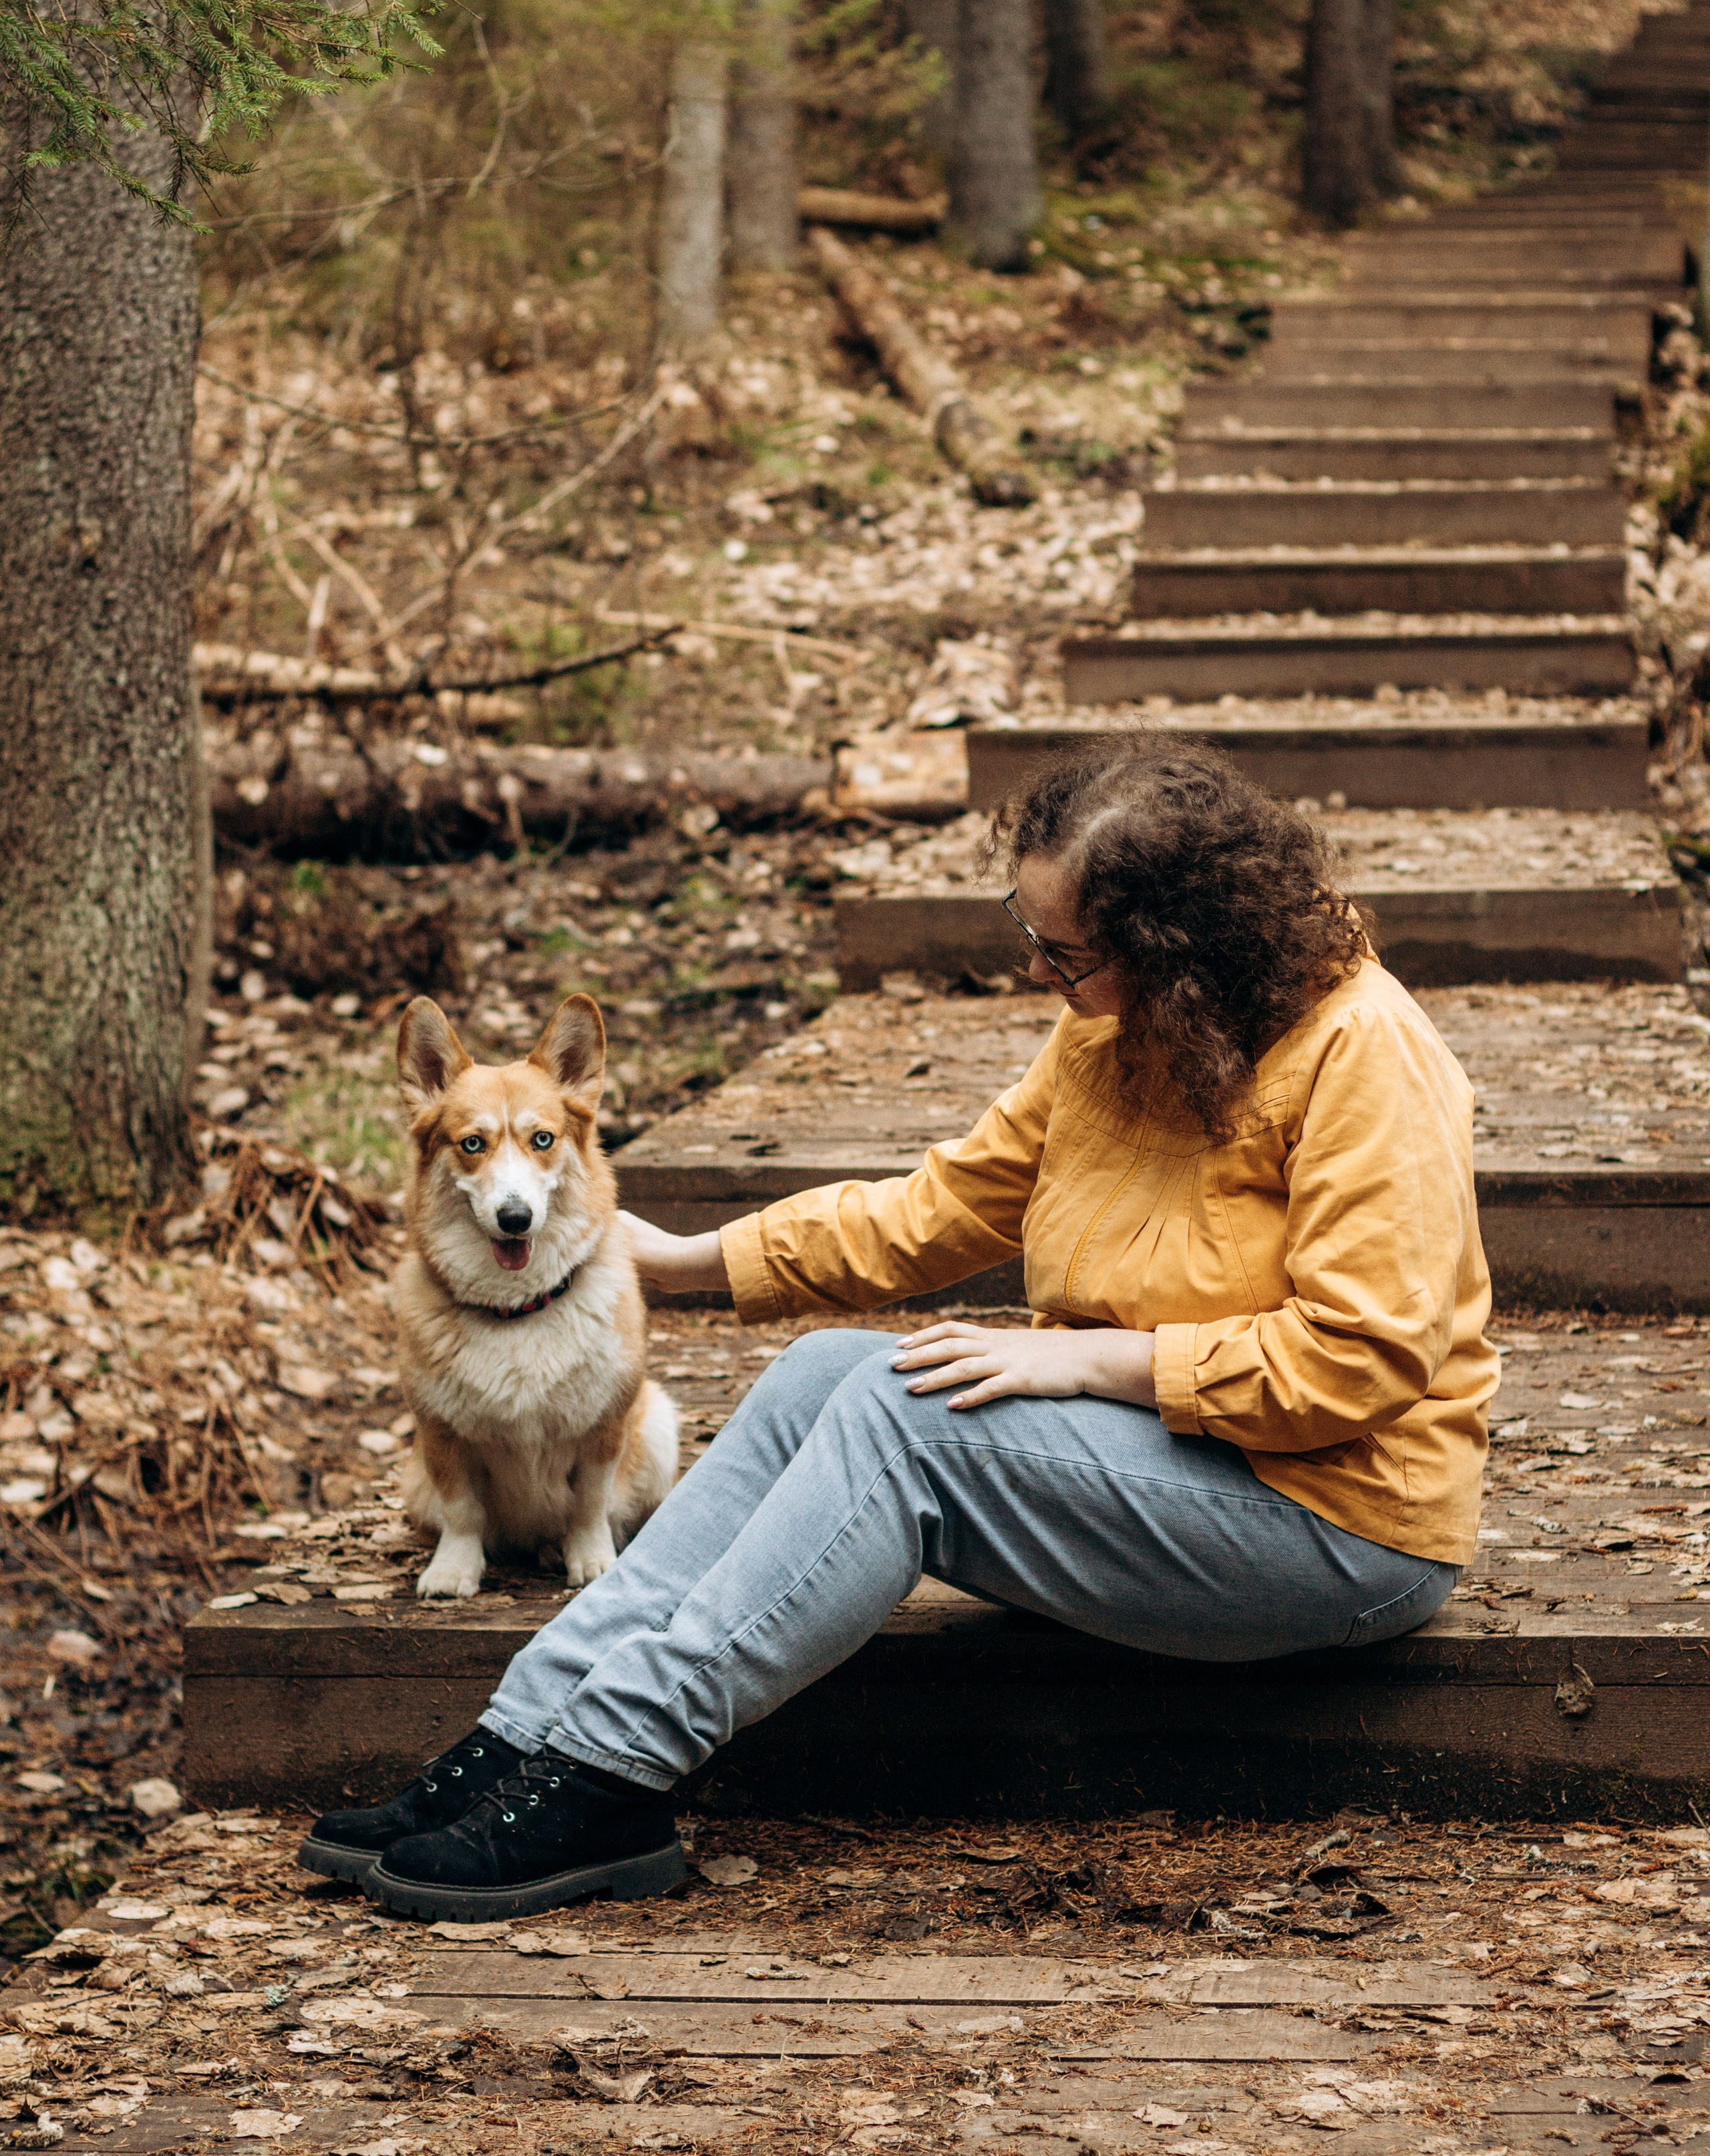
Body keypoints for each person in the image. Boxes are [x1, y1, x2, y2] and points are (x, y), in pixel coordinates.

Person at [303, 736, 1498, 1921]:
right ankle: (530, 1728)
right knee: (831, 1368)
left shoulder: (1364, 1054)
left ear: (1169, 943)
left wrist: (1081, 1357)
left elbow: (1362, 1357)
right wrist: (685, 1261)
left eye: (1062, 949)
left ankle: (615, 1770)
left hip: (1339, 1522)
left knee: (902, 1413)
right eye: (1026, 933)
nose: (1038, 972)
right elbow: (942, 1208)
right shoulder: (1114, 1030)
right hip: (1169, 1461)